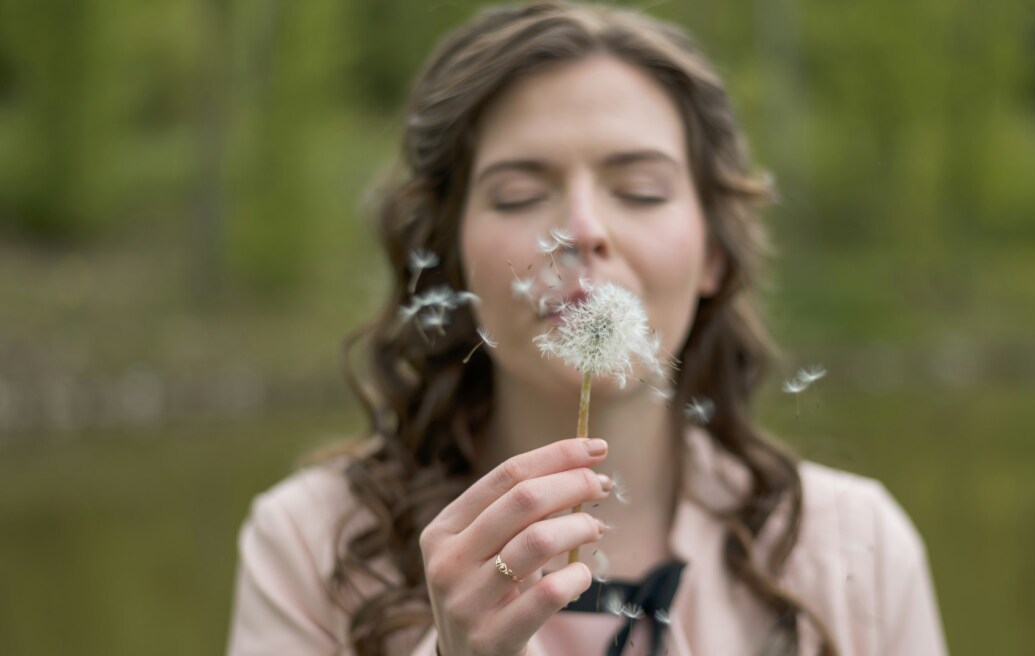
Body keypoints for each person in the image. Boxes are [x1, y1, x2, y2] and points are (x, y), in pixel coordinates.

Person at [225, 2, 947, 655]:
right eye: (518, 195)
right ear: (451, 255)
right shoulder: (311, 546)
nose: (582, 230)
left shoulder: (856, 549)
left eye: (641, 190)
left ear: (715, 255)